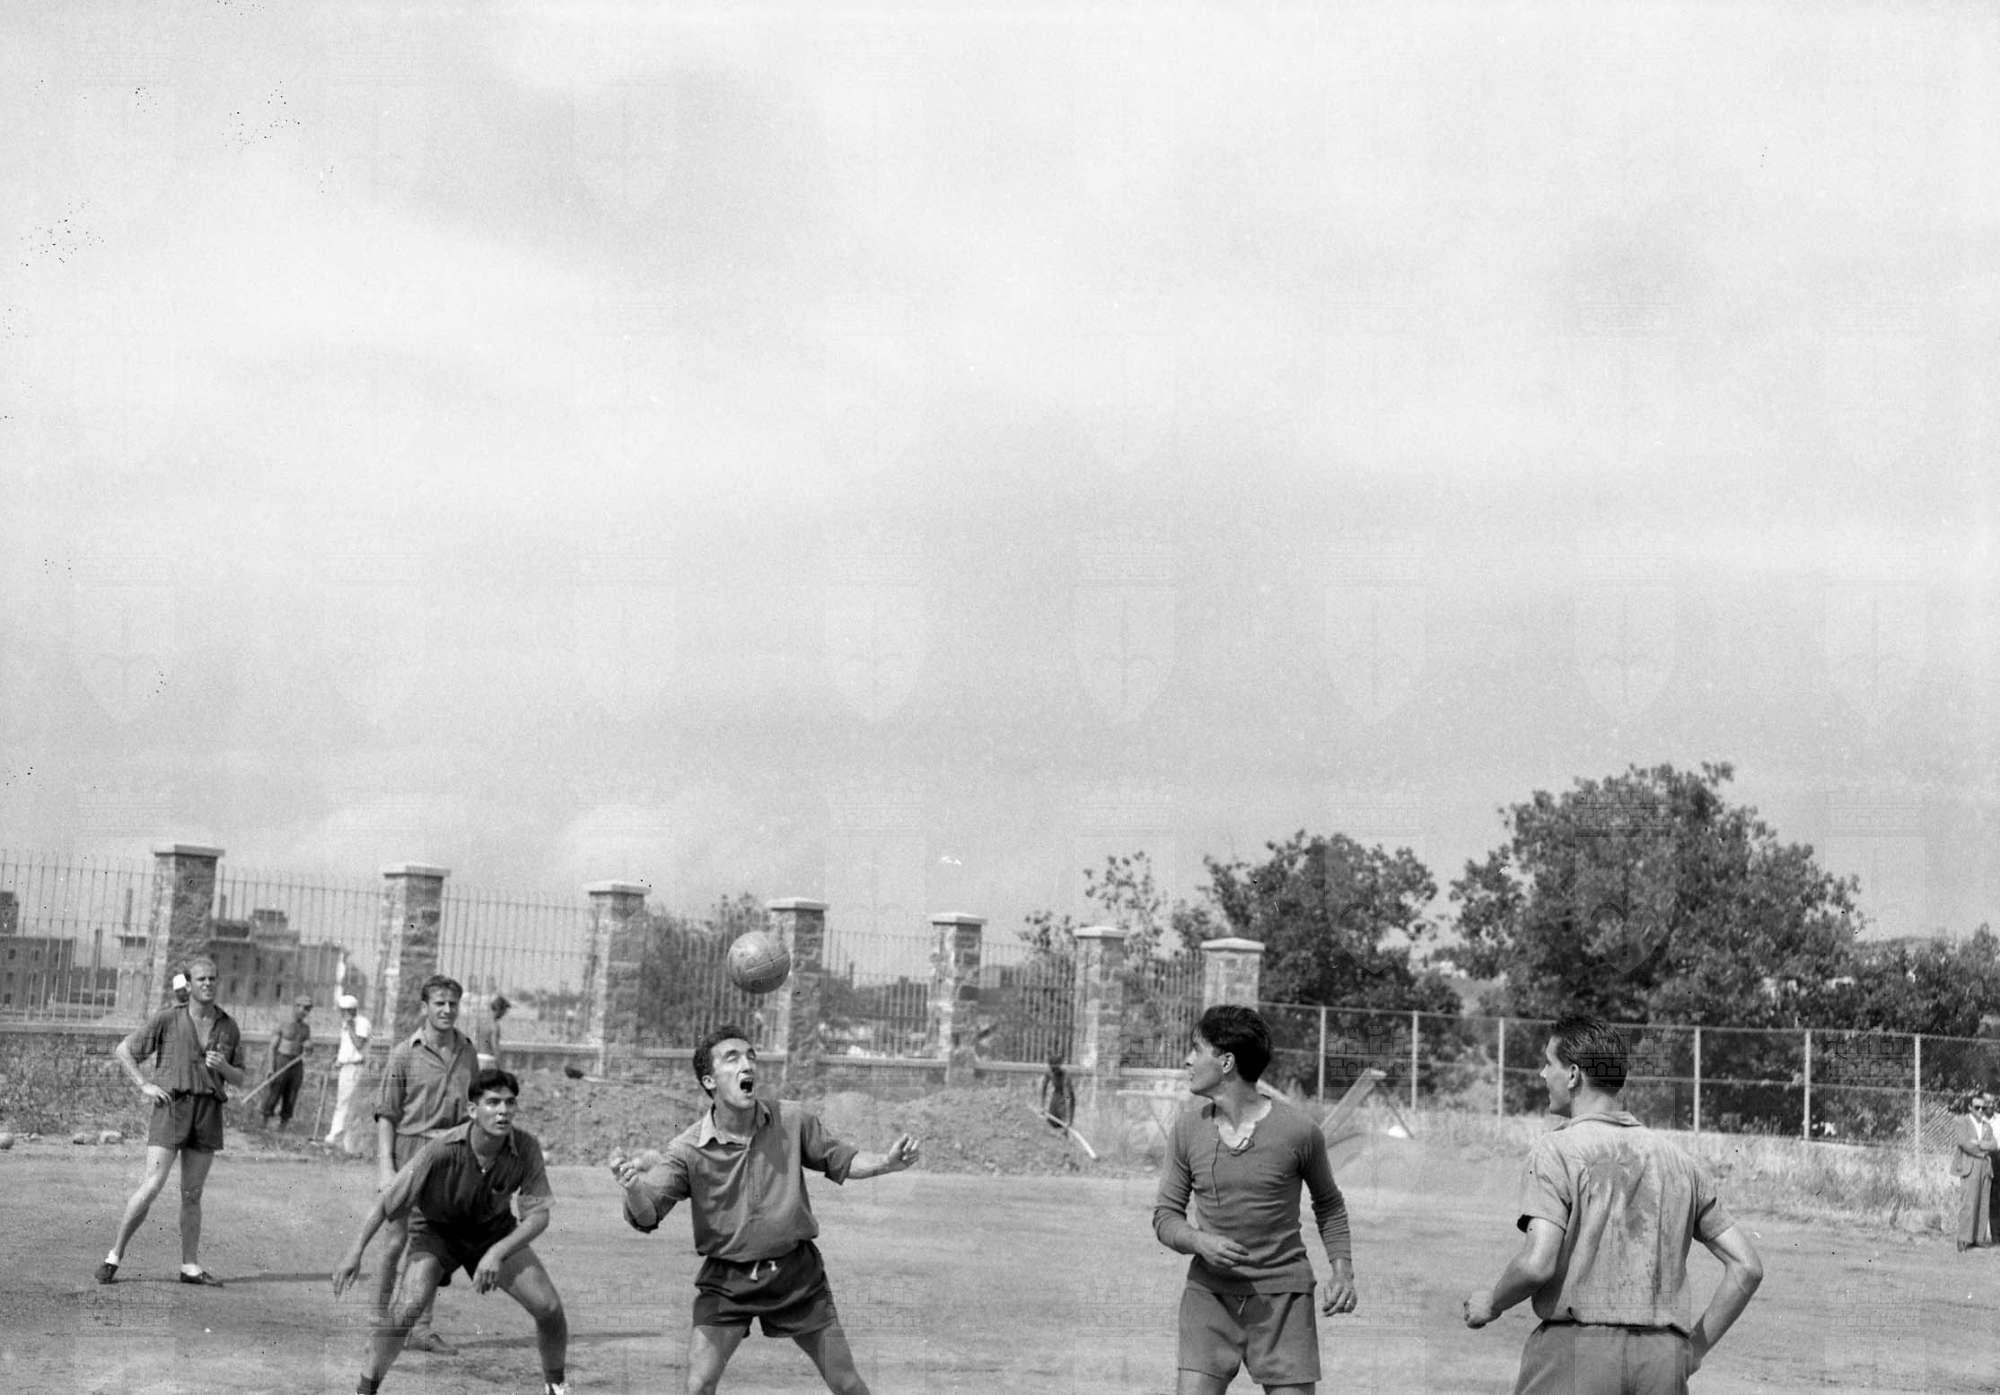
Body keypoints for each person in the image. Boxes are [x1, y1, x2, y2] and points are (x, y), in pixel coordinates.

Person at [609, 1023, 922, 1395]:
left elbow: (841, 1159)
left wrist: (886, 1163)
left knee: (847, 1383)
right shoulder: (687, 1149)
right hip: (729, 1283)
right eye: (732, 1058)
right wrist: (633, 1189)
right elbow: (646, 1215)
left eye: (751, 1056)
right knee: (698, 1385)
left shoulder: (792, 1120)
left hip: (796, 1276)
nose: (747, 1065)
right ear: (709, 1081)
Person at [1464, 1014, 1765, 1393]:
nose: (1542, 1074)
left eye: (1548, 1063)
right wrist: (1693, 1352)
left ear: (1573, 1075)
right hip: (1662, 1359)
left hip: (1578, 1355)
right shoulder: (1679, 1162)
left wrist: (1492, 1303)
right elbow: (1747, 1267)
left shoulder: (1557, 1150)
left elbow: (1536, 1264)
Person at [1153, 1004, 1357, 1395]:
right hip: (1209, 1297)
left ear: (1226, 1062)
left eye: (1197, 1049)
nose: (1188, 1060)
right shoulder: (1186, 1130)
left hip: (1284, 1302)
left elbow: (1329, 1204)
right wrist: (1198, 1240)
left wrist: (1343, 1271)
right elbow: (1165, 1216)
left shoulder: (1299, 1132)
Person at [333, 1068, 571, 1395]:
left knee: (549, 1308)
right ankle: (365, 1390)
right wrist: (354, 1252)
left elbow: (538, 1216)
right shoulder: (442, 1148)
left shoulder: (526, 1147)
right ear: (473, 1110)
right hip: (437, 1232)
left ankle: (557, 1387)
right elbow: (386, 1202)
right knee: (407, 1308)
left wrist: (496, 1253)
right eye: (493, 1102)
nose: (503, 1111)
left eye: (510, 1102)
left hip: (492, 1233)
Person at [95, 957, 246, 1286]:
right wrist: (144, 1084)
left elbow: (240, 1077)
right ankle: (114, 1256)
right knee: (151, 1185)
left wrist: (223, 1067)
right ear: (189, 985)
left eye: (212, 979)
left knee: (192, 1194)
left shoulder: (228, 1026)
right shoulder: (168, 1018)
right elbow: (124, 1050)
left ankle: (189, 1266)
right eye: (201, 979)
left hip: (207, 1112)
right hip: (171, 1107)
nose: (208, 984)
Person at [372, 973, 478, 1355]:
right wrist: (386, 1168)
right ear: (425, 1007)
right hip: (409, 1153)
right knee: (395, 1241)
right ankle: (379, 1322)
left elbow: (474, 1109)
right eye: (439, 1003)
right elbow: (386, 1114)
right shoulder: (404, 1053)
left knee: (433, 1245)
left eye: (453, 1004)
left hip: (450, 1158)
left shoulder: (467, 1051)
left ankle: (421, 1327)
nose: (447, 1010)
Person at [260, 994, 314, 1132]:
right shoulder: (283, 1024)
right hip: (281, 1060)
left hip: (296, 1063)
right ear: (296, 1007)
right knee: (273, 1092)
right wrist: (270, 1068)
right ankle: (263, 1125)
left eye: (308, 1009)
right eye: (303, 1007)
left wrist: (309, 1047)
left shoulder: (306, 1028)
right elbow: (272, 1047)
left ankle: (282, 1127)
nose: (305, 1011)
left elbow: (308, 1050)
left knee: (291, 1094)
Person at [326, 993, 373, 1151]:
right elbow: (346, 1048)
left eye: (345, 1010)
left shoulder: (361, 1023)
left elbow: (359, 1044)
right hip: (346, 1067)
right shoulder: (347, 1024)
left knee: (348, 1104)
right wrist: (338, 1061)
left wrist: (350, 1026)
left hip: (355, 1068)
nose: (343, 1014)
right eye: (342, 1010)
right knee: (343, 1102)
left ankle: (340, 1138)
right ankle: (338, 1137)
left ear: (352, 1010)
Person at [1953, 1090, 1998, 1251]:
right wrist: (1982, 1151)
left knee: (1983, 1202)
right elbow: (1965, 1144)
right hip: (1970, 1166)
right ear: (1970, 1108)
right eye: (1977, 1107)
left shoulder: (1986, 1126)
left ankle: (1978, 1238)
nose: (1980, 1110)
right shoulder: (1962, 1122)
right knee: (1969, 1203)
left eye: (1983, 1107)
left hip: (1985, 1167)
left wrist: (1979, 1143)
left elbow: (1994, 1145)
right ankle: (1964, 1239)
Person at [1040, 1051, 1075, 1131]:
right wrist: (1042, 1106)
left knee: (1064, 1124)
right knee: (1051, 1122)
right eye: (1052, 1068)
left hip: (1067, 1097)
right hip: (1056, 1094)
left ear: (1059, 1066)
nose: (1053, 1071)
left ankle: (1065, 1131)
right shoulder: (1048, 1072)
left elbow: (1067, 1096)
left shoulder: (1065, 1075)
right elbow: (1043, 1089)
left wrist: (1068, 1117)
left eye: (1055, 1069)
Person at [476, 992, 511, 1071]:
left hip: (478, 1058)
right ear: (500, 1010)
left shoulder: (481, 1023)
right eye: (504, 1011)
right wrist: (500, 1066)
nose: (504, 1014)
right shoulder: (494, 1026)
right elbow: (494, 1046)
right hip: (489, 1061)